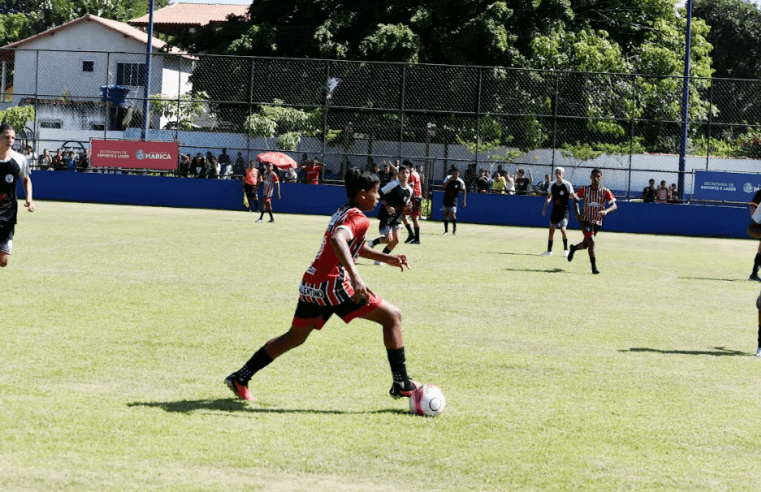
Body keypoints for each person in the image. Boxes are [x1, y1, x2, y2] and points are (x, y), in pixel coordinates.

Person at [224, 167, 419, 402]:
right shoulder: (359, 218)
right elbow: (338, 240)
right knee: (392, 317)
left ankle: (241, 377)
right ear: (362, 194)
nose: (378, 197)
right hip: (332, 286)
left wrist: (386, 258)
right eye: (376, 192)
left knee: (295, 336)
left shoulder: (342, 211)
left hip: (312, 282)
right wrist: (356, 277)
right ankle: (401, 384)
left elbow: (347, 245)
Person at [567, 168, 617, 274]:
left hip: (597, 222)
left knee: (586, 244)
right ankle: (594, 268)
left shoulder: (605, 191)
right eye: (594, 176)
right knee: (592, 241)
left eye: (598, 176)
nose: (596, 178)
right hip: (586, 220)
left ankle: (573, 248)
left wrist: (606, 211)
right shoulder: (584, 189)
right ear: (590, 177)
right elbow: (575, 200)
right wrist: (577, 214)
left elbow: (614, 205)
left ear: (601, 178)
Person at [0, 124, 34, 268]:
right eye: (6, 137)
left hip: (8, 213)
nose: (10, 140)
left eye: (13, 137)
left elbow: (26, 180)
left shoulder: (19, 159)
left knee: (3, 261)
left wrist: (29, 199)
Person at [368, 162, 413, 263]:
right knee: (389, 240)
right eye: (402, 172)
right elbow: (380, 193)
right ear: (398, 174)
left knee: (395, 240)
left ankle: (380, 259)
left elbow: (404, 205)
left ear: (409, 174)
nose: (405, 174)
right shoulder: (393, 185)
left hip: (397, 217)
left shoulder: (410, 190)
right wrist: (387, 206)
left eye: (407, 172)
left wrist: (407, 207)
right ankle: (374, 242)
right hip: (386, 215)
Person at [541, 167, 575, 257]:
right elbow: (549, 195)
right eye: (556, 173)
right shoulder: (552, 184)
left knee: (563, 230)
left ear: (562, 174)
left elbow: (572, 195)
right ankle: (549, 251)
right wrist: (548, 201)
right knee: (551, 230)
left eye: (560, 173)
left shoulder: (567, 184)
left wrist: (577, 200)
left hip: (564, 211)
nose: (558, 174)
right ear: (555, 174)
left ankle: (566, 250)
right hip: (555, 211)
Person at [403, 159, 422, 244]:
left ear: (409, 167)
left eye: (405, 167)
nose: (404, 170)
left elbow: (411, 186)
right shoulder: (414, 173)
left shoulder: (412, 175)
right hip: (414, 197)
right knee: (402, 215)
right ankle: (411, 234)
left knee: (414, 218)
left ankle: (417, 239)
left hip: (414, 198)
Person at [441, 168, 466, 235]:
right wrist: (449, 181)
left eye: (456, 174)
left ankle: (454, 230)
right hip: (446, 198)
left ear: (458, 174)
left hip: (454, 200)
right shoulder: (448, 178)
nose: (454, 175)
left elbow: (464, 190)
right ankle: (446, 231)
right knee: (446, 215)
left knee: (453, 214)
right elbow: (443, 186)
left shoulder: (460, 181)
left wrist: (464, 200)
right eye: (453, 173)